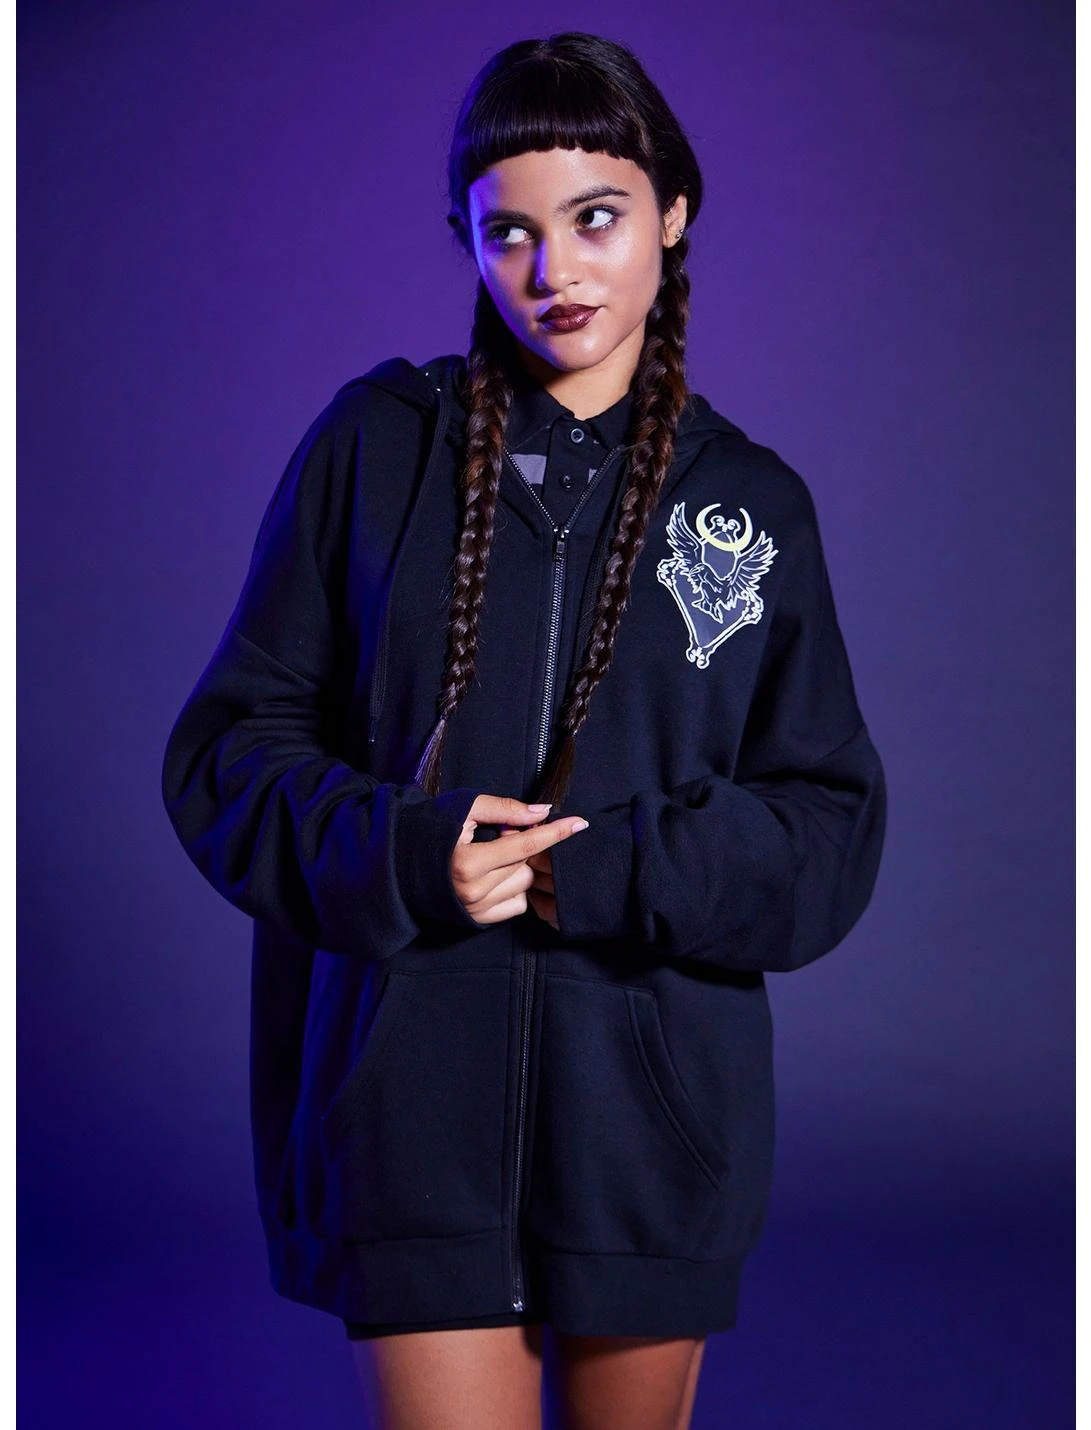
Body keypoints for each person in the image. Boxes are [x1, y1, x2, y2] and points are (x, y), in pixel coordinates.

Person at [161, 30, 887, 1430]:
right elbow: (229, 752)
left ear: (674, 215)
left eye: (595, 218)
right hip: (407, 1120)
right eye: (510, 232)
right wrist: (405, 851)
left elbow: (828, 826)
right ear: (471, 244)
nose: (554, 270)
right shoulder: (376, 449)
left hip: (651, 1133)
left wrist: (614, 871)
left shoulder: (752, 505)